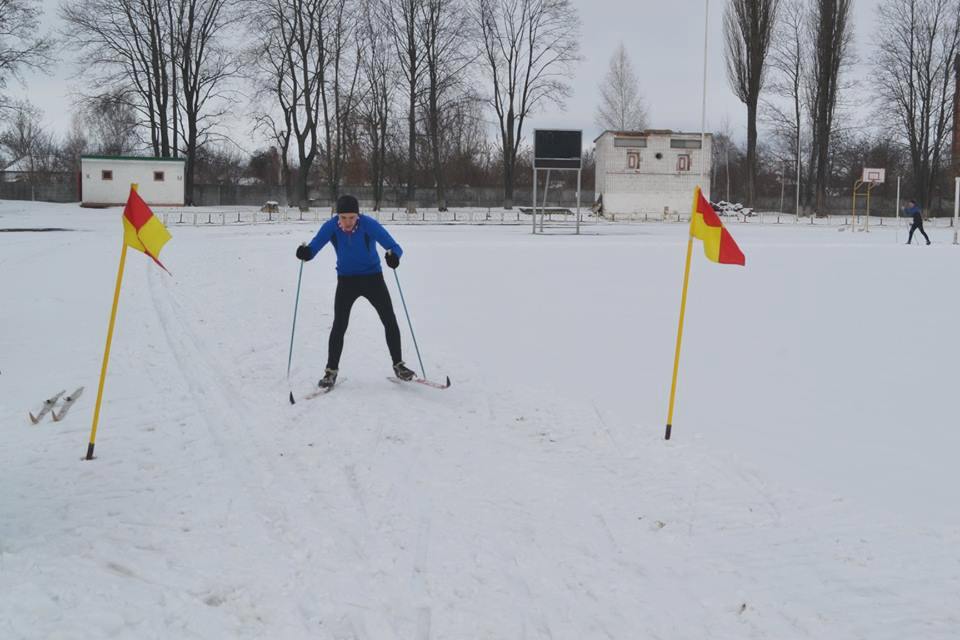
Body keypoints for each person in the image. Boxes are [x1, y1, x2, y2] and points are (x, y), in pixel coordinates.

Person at [296, 194, 416, 388]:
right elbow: (314, 247)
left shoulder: (369, 224)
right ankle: (330, 371)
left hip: (373, 278)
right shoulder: (331, 226)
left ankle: (399, 365)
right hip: (346, 281)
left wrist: (394, 257)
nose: (348, 222)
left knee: (389, 319)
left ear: (358, 216)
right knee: (339, 324)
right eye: (343, 217)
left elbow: (394, 247)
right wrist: (306, 253)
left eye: (352, 217)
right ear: (337, 216)